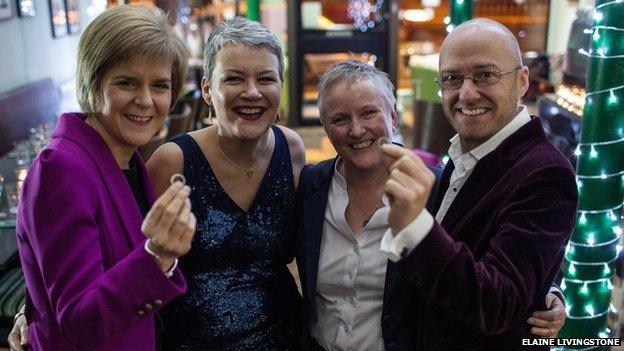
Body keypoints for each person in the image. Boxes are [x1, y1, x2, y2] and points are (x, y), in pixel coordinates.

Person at [295, 55, 573, 350]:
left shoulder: (439, 186)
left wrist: (546, 291)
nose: (356, 129)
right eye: (340, 119)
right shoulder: (312, 184)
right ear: (325, 127)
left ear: (393, 117)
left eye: (368, 113)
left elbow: (489, 256)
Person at [378, 19, 577, 349]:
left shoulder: (545, 173)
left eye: (485, 74)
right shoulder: (465, 150)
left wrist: (415, 228)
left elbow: (497, 304)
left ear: (522, 80)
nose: (467, 93)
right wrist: (544, 286)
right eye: (452, 78)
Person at [9, 5, 195, 350]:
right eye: (126, 83)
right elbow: (80, 320)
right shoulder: (61, 168)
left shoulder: (129, 160)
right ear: (94, 83)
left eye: (160, 85)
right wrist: (158, 256)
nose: (145, 100)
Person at [146, 17, 306, 349]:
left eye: (266, 79)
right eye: (234, 78)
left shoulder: (291, 149)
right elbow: (123, 256)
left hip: (285, 336)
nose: (252, 92)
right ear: (207, 89)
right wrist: (31, 308)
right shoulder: (172, 161)